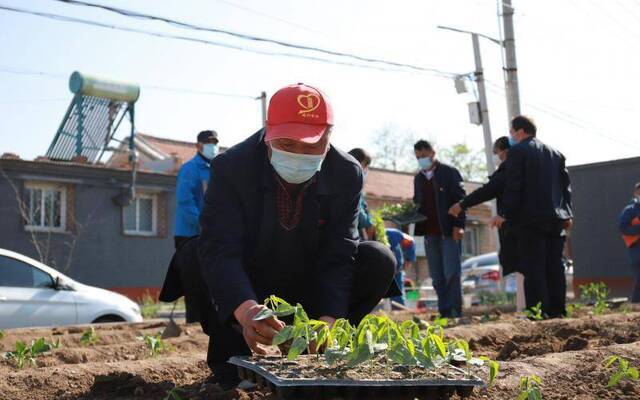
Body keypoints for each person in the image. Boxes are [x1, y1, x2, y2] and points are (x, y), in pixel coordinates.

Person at [194, 83, 397, 387]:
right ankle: (234, 351)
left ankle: (319, 349)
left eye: (312, 145)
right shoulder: (232, 167)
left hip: (308, 283)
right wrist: (246, 310)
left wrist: (328, 320)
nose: (299, 154)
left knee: (378, 259)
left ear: (329, 136)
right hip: (251, 281)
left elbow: (339, 252)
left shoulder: (346, 173)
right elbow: (220, 246)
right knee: (192, 256)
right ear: (268, 132)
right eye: (287, 144)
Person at [494, 115, 573, 318]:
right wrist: (567, 214)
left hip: (530, 221)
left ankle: (538, 313)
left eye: (511, 133)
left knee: (534, 268)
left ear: (520, 132)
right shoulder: (555, 154)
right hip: (555, 220)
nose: (510, 137)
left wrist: (505, 214)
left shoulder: (518, 152)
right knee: (555, 267)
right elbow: (565, 188)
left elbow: (514, 187)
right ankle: (558, 312)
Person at [448, 137, 518, 278]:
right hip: (526, 229)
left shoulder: (508, 171)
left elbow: (486, 191)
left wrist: (461, 205)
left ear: (504, 151)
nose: (495, 156)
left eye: (496, 152)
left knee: (520, 271)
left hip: (515, 230)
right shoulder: (523, 168)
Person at [413, 140, 466, 318]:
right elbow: (417, 202)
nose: (421, 159)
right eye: (418, 157)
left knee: (451, 272)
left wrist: (459, 225)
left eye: (424, 155)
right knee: (437, 276)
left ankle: (455, 311)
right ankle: (444, 311)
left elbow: (461, 200)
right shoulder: (419, 178)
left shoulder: (449, 173)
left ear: (432, 153)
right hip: (429, 233)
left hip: (448, 231)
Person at [174, 130, 219, 249]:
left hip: (210, 234)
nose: (213, 146)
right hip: (189, 235)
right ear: (198, 146)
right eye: (208, 143)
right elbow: (185, 201)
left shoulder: (216, 170)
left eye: (214, 143)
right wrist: (202, 223)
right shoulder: (189, 169)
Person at [619, 183, 640, 303]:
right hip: (636, 247)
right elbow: (623, 227)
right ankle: (636, 304)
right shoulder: (629, 210)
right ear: (635, 193)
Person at [385, 227, 416, 305]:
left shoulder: (406, 243)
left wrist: (402, 270)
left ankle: (398, 305)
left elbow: (408, 262)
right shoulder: (395, 236)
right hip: (394, 268)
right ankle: (398, 305)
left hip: (396, 270)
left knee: (396, 293)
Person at [348, 148, 374, 240]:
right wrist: (369, 223)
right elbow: (357, 208)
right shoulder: (352, 182)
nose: (366, 169)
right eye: (365, 165)